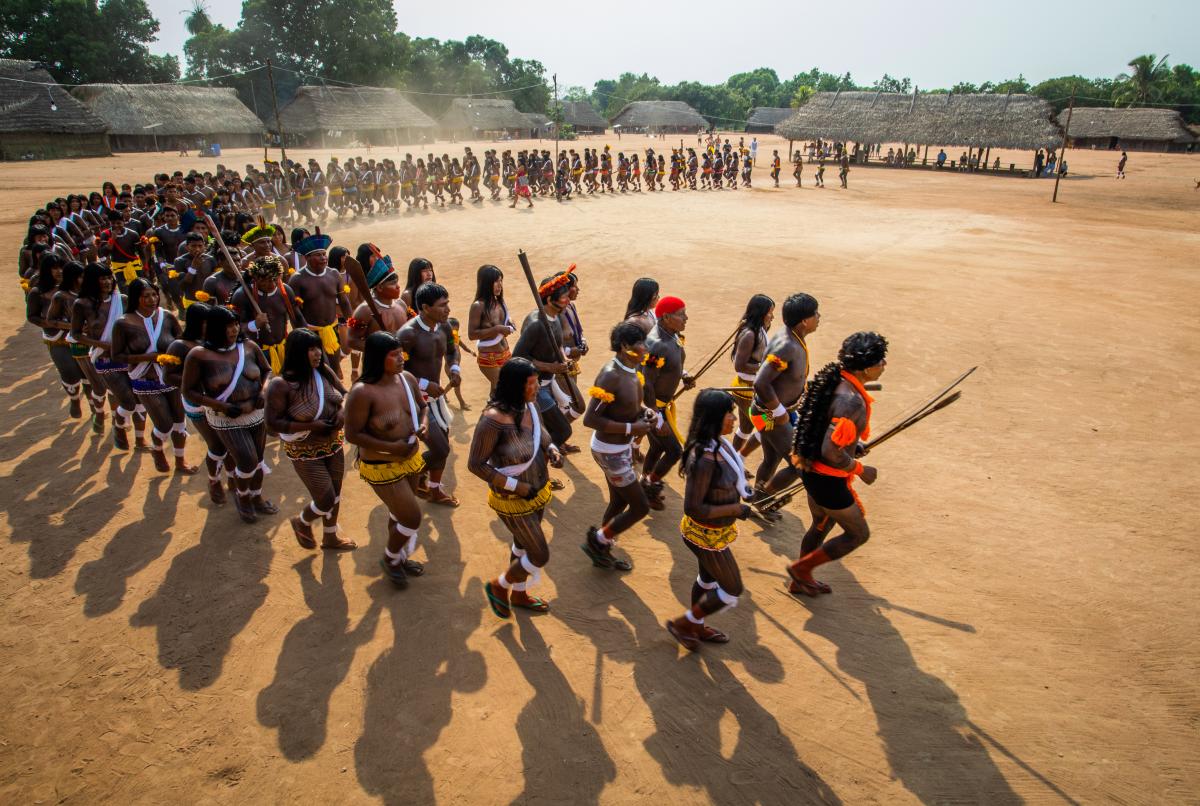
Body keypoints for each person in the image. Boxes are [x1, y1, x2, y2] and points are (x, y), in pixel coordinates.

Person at [785, 332, 887, 596]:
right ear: (866, 368)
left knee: (822, 524)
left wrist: (854, 445)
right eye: (881, 361)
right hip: (828, 480)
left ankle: (800, 580)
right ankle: (802, 569)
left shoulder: (833, 380)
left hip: (811, 469)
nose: (884, 365)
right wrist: (860, 469)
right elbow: (831, 450)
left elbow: (824, 429)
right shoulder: (851, 400)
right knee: (857, 534)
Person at [471, 358, 564, 618]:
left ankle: (520, 594)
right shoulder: (493, 420)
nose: (536, 389)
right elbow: (476, 464)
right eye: (531, 384)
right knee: (539, 553)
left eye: (536, 383)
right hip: (512, 498)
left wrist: (552, 449)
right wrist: (516, 486)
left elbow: (541, 432)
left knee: (522, 545)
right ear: (514, 386)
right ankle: (499, 586)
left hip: (538, 491)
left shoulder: (530, 406)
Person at [664, 389, 754, 650]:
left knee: (707, 580)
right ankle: (686, 623)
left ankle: (697, 627)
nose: (735, 420)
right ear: (715, 418)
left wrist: (745, 492)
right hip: (705, 535)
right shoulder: (704, 459)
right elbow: (694, 507)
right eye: (730, 414)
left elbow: (732, 480)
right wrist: (735, 510)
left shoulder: (720, 446)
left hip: (715, 533)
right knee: (732, 588)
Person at [344, 331, 428, 587]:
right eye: (394, 355)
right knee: (412, 517)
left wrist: (423, 425)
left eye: (400, 352)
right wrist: (393, 449)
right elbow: (353, 434)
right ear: (379, 358)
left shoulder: (407, 379)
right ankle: (391, 558)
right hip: (382, 466)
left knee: (399, 513)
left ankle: (399, 557)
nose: (401, 358)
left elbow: (422, 406)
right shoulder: (362, 392)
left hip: (410, 459)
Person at [181, 305, 276, 523]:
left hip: (256, 413)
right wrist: (220, 406)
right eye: (227, 326)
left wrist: (262, 391)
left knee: (259, 460)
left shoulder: (249, 346)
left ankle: (257, 497)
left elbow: (267, 370)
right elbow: (189, 391)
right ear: (215, 329)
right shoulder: (199, 355)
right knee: (247, 461)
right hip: (226, 419)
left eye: (235, 324)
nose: (233, 330)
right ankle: (243, 498)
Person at [580, 322, 660, 572]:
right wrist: (630, 430)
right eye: (641, 344)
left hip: (620, 450)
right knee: (640, 506)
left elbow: (632, 406)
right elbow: (590, 419)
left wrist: (647, 413)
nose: (646, 349)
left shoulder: (632, 371)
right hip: (610, 452)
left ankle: (602, 547)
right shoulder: (611, 375)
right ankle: (598, 541)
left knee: (618, 502)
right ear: (625, 346)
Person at [266, 328, 355, 551]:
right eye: (310, 349)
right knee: (325, 498)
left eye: (318, 348)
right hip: (304, 450)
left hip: (333, 443)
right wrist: (310, 425)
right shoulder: (281, 385)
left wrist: (342, 414)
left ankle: (330, 537)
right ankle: (302, 521)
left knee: (336, 494)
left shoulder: (323, 370)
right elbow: (272, 424)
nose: (317, 353)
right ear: (297, 353)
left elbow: (345, 395)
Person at [110, 277, 194, 474]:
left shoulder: (167, 317)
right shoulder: (123, 323)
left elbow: (181, 342)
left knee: (179, 422)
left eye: (154, 295)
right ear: (135, 298)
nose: (152, 299)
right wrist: (150, 357)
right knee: (164, 424)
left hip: (170, 378)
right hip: (144, 381)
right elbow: (117, 356)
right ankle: (158, 450)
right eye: (145, 296)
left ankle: (180, 461)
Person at [750, 293, 820, 508]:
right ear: (805, 321)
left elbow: (789, 378)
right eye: (816, 314)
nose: (819, 317)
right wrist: (779, 411)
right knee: (800, 463)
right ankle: (763, 498)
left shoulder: (795, 339)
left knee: (772, 459)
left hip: (780, 411)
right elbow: (761, 383)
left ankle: (758, 495)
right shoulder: (787, 345)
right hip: (768, 415)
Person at [397, 281, 461, 506]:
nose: (448, 309)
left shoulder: (444, 327)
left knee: (441, 447)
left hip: (437, 397)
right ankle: (408, 478)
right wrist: (424, 384)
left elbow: (453, 351)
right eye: (442, 305)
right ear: (425, 307)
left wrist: (454, 369)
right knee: (441, 448)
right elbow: (396, 369)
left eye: (448, 303)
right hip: (415, 401)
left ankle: (433, 489)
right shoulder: (407, 334)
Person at [163, 302, 235, 503]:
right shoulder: (178, 346)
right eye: (207, 323)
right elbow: (168, 376)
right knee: (217, 445)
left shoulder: (214, 341)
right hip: (198, 403)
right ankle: (214, 481)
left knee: (229, 443)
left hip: (220, 401)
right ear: (196, 323)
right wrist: (197, 383)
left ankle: (232, 477)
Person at [70, 262, 147, 450]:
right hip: (105, 360)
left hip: (128, 358)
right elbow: (76, 334)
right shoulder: (82, 304)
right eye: (101, 278)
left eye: (108, 277)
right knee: (128, 402)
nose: (106, 282)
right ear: (91, 281)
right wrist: (101, 344)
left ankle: (139, 440)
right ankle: (118, 427)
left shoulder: (122, 299)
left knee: (140, 400)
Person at [639, 296, 695, 509]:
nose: (686, 318)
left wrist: (684, 375)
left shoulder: (672, 336)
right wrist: (655, 415)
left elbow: (673, 366)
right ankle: (649, 485)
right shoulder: (656, 345)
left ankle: (644, 481)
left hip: (662, 406)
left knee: (656, 446)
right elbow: (646, 383)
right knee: (674, 451)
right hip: (654, 409)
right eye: (681, 315)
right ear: (667, 317)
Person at [27, 256, 85, 419]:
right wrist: (51, 323)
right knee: (69, 372)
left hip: (82, 337)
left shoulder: (76, 289)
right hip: (57, 339)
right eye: (54, 268)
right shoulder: (37, 292)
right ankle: (74, 399)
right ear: (46, 270)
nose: (59, 271)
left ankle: (97, 409)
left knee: (86, 374)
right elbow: (32, 316)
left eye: (61, 267)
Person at [287, 231, 352, 378]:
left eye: (324, 254)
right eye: (318, 255)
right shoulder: (297, 279)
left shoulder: (334, 274)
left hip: (332, 330)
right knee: (316, 372)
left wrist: (352, 324)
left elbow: (344, 302)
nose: (323, 258)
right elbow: (294, 311)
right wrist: (304, 334)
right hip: (310, 332)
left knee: (334, 368)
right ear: (307, 257)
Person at [233, 254, 305, 375]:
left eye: (274, 279)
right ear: (255, 278)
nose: (271, 284)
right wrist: (254, 325)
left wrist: (306, 341)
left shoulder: (285, 291)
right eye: (264, 281)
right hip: (256, 353)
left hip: (283, 349)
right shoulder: (242, 296)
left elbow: (297, 318)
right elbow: (234, 330)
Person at [729, 294, 774, 457]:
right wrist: (765, 367)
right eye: (770, 312)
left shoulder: (760, 329)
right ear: (761, 313)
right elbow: (739, 365)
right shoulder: (749, 334)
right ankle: (739, 459)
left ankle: (733, 459)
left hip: (749, 388)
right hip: (746, 389)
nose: (772, 316)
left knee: (746, 427)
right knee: (768, 425)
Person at [467, 264, 516, 392]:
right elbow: (472, 334)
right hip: (489, 357)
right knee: (502, 389)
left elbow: (505, 320)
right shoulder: (478, 306)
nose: (499, 285)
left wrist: (510, 323)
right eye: (496, 281)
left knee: (500, 391)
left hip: (505, 353)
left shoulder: (500, 302)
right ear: (486, 283)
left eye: (501, 281)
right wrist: (498, 329)